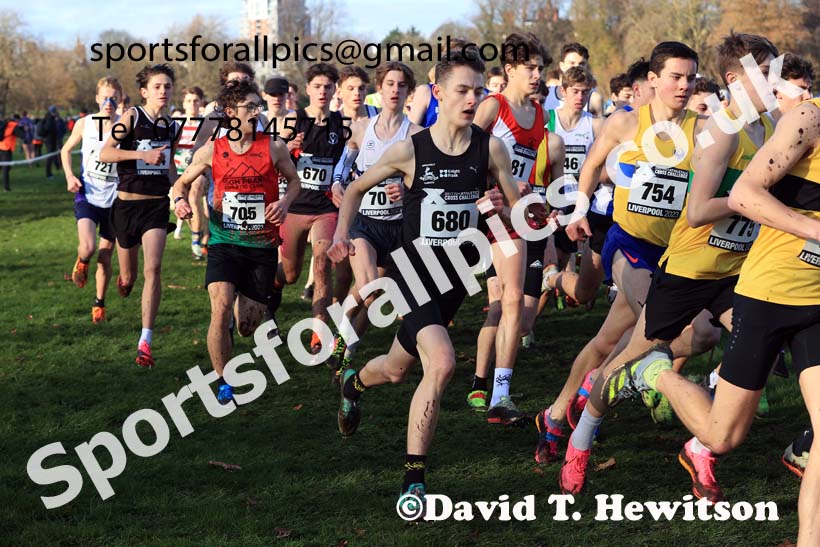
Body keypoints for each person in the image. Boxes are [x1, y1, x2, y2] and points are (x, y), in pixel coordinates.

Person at [592, 93, 820, 547]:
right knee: (721, 436)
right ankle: (652, 372)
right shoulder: (808, 117)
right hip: (769, 293)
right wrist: (815, 230)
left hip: (818, 297)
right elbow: (744, 193)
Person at [558, 32, 779, 497]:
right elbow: (694, 209)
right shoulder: (704, 131)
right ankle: (581, 439)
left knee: (758, 342)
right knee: (626, 356)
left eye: (689, 77)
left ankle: (701, 439)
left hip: (728, 268)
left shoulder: (753, 126)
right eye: (675, 77)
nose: (683, 85)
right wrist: (578, 210)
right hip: (663, 258)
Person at [328, 48, 525, 504]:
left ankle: (353, 384)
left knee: (398, 370)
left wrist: (504, 207)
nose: (472, 98)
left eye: (479, 90)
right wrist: (341, 234)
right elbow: (355, 189)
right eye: (462, 90)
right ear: (438, 93)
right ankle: (414, 479)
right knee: (442, 363)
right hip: (413, 274)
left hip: (456, 278)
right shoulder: (410, 150)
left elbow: (518, 208)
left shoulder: (489, 147)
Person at [173, 79, 301, 403]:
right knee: (220, 307)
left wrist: (284, 204)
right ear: (230, 113)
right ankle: (223, 380)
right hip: (223, 242)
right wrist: (180, 202)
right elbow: (181, 184)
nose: (257, 112)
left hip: (261, 248)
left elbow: (295, 182)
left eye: (259, 106)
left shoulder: (273, 147)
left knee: (246, 326)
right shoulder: (211, 151)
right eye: (250, 107)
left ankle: (244, 313)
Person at [467, 32, 564, 422]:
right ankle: (474, 378)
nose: (538, 74)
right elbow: (463, 156)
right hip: (481, 211)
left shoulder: (539, 115)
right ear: (509, 70)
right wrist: (495, 184)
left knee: (513, 304)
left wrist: (539, 202)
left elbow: (526, 174)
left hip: (514, 219)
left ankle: (499, 396)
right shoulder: (493, 107)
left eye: (541, 68)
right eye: (531, 68)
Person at [324, 61, 422, 384]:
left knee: (375, 295)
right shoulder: (363, 128)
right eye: (390, 84)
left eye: (402, 85)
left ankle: (346, 347)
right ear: (380, 90)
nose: (395, 90)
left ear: (408, 92)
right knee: (367, 289)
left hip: (398, 229)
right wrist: (338, 183)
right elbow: (345, 161)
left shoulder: (417, 136)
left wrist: (406, 190)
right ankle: (342, 339)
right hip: (364, 223)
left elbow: (424, 183)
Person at [99, 63, 179, 368]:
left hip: (156, 206)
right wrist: (140, 155)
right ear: (145, 92)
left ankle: (145, 340)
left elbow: (168, 166)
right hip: (126, 206)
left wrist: (180, 191)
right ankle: (123, 278)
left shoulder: (172, 126)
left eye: (168, 86)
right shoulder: (131, 117)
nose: (163, 91)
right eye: (157, 86)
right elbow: (106, 152)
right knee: (130, 277)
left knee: (154, 269)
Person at [272, 63, 346, 354]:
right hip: (295, 206)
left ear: (334, 90)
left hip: (325, 207)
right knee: (289, 274)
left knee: (322, 263)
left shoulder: (341, 123)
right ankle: (270, 292)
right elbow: (273, 160)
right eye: (318, 87)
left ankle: (318, 331)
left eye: (328, 87)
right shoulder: (293, 119)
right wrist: (289, 147)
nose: (323, 92)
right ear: (307, 90)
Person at [61, 77, 124, 323]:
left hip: (114, 200)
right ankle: (82, 261)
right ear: (97, 99)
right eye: (105, 98)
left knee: (106, 256)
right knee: (88, 247)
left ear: (120, 99)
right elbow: (65, 150)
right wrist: (69, 176)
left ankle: (99, 302)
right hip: (87, 194)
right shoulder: (85, 124)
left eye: (114, 98)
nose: (109, 103)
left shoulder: (125, 125)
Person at [172, 85, 208, 257]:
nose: (192, 104)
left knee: (194, 195)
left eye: (195, 101)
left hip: (200, 171)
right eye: (188, 101)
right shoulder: (177, 124)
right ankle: (202, 232)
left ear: (201, 103)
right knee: (181, 206)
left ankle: (195, 239)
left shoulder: (206, 124)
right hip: (179, 173)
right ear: (183, 104)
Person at [542, 43, 605, 117]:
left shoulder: (594, 99)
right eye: (572, 63)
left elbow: (600, 126)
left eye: (581, 64)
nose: (577, 67)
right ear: (562, 66)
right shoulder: (545, 95)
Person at [770, 53, 814, 124]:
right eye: (800, 89)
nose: (808, 96)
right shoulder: (757, 131)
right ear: (777, 91)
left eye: (809, 90)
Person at [0, 114, 24, 191]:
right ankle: (6, 188)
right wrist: (23, 129)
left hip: (1, 146)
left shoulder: (4, 124)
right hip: (7, 149)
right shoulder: (13, 125)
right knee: (6, 169)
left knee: (3, 167)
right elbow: (22, 135)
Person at [40, 106, 60, 179]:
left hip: (51, 140)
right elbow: (49, 128)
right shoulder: (49, 118)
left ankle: (57, 167)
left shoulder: (49, 117)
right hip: (50, 140)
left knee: (52, 155)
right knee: (49, 156)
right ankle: (48, 174)